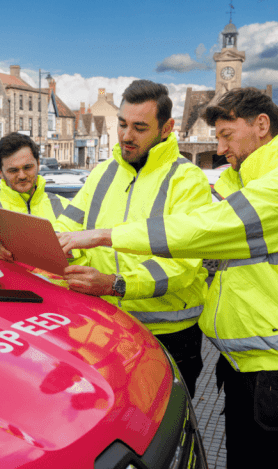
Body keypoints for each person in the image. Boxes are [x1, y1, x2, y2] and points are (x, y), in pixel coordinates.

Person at [58, 87, 278, 469]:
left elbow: (199, 231)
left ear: (261, 126)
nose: (220, 149)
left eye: (226, 135)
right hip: (243, 368)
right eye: (217, 137)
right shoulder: (240, 184)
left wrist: (105, 237)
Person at [56, 80, 211, 399]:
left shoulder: (187, 180)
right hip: (104, 327)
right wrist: (33, 246)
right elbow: (66, 231)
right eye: (123, 124)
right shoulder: (101, 174)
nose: (126, 136)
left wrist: (116, 284)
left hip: (166, 335)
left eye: (140, 127)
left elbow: (184, 263)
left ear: (166, 128)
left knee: (161, 435)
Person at [0, 132, 71, 263]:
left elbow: (88, 258)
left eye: (27, 167)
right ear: (0, 172)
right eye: (13, 170)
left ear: (38, 164)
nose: (22, 175)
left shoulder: (66, 207)